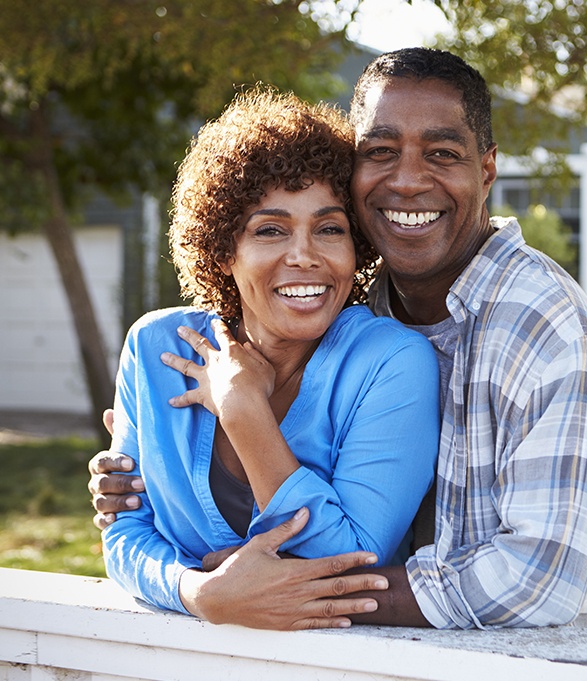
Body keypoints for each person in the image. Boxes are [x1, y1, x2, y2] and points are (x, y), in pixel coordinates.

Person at [90, 47, 587, 632]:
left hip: (561, 656)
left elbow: (540, 580)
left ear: (486, 170)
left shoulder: (545, 327)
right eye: (379, 152)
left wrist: (280, 591)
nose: (406, 180)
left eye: (442, 153)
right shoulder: (369, 300)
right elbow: (129, 527)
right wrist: (200, 590)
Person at [98, 85, 441, 625]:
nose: (304, 256)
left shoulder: (391, 363)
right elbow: (123, 531)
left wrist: (242, 409)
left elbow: (352, 562)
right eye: (270, 230)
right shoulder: (155, 349)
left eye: (330, 228)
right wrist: (199, 591)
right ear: (222, 250)